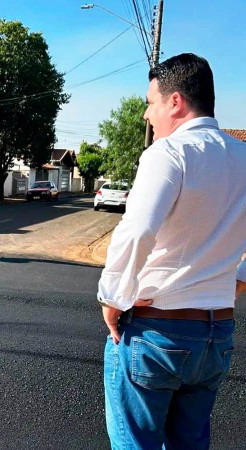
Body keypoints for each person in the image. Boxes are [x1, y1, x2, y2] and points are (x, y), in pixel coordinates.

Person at [97, 53, 246, 449]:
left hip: (157, 332)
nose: (148, 114)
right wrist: (236, 285)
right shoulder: (243, 157)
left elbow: (138, 230)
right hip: (218, 333)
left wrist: (113, 298)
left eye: (151, 102)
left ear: (175, 102)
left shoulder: (169, 153)